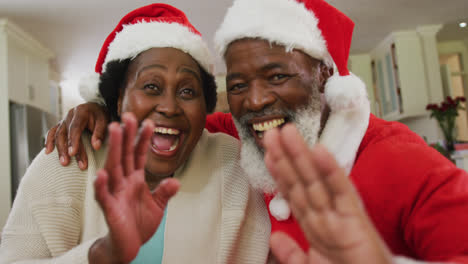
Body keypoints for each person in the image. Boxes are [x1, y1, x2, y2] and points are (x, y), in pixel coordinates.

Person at [46, 0, 468, 263]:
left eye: (277, 76)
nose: (255, 101)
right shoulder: (242, 133)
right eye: (238, 84)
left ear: (323, 75)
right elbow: (173, 123)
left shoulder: (399, 158)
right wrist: (100, 107)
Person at [0, 4, 270, 263]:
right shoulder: (68, 160)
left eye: (188, 91)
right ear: (118, 100)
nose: (169, 107)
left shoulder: (233, 164)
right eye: (151, 86)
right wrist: (101, 255)